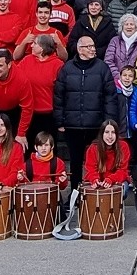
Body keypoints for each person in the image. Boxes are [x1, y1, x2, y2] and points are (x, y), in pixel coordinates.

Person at [54, 35, 118, 186]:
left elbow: (110, 96)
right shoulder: (67, 68)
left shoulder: (102, 68)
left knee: (97, 161)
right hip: (72, 125)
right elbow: (59, 96)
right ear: (79, 49)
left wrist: (109, 122)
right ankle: (76, 193)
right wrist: (59, 120)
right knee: (75, 162)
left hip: (96, 125)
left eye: (93, 46)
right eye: (89, 47)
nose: (93, 49)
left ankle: (97, 192)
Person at [15, 35, 63, 140]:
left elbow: (62, 93)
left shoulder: (58, 65)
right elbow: (16, 77)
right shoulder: (26, 60)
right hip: (28, 114)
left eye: (35, 43)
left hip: (49, 115)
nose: (31, 45)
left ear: (42, 47)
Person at [83, 120, 132, 190]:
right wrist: (95, 180)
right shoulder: (93, 148)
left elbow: (123, 170)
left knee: (123, 190)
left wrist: (110, 179)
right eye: (106, 132)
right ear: (102, 134)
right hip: (99, 181)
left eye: (113, 132)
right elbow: (90, 170)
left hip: (117, 180)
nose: (110, 136)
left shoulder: (123, 146)